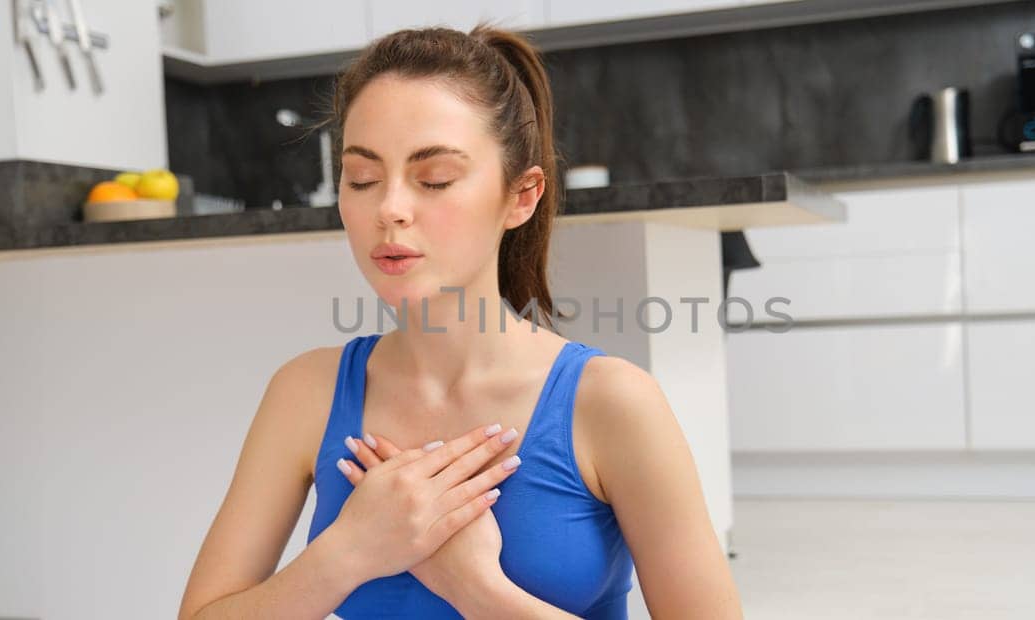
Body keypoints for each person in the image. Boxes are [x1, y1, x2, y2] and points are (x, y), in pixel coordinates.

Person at [178, 24, 741, 620]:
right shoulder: (306, 392)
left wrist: (477, 590)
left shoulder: (612, 404)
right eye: (362, 179)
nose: (390, 208)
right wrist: (349, 551)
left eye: (435, 180)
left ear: (520, 197)